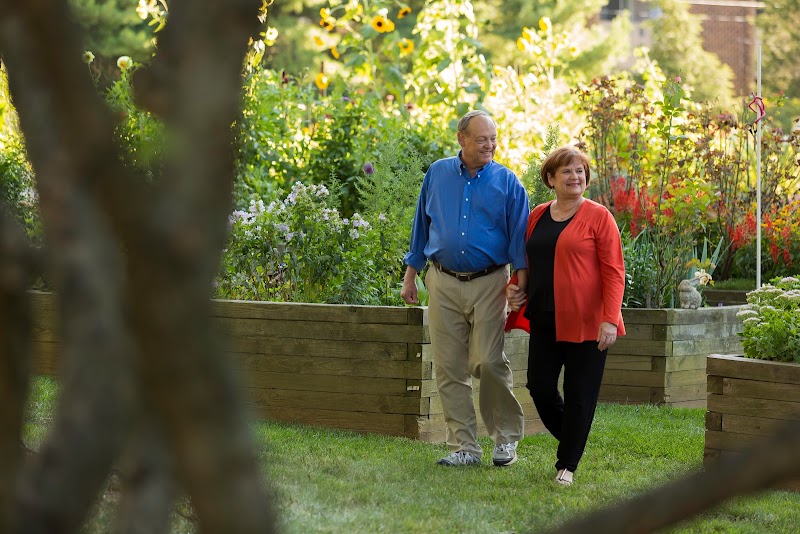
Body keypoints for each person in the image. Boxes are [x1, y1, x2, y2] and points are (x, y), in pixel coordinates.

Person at [401, 110, 529, 467]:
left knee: (488, 362)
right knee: (449, 367)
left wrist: (519, 284)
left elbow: (519, 239)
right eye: (482, 138)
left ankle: (505, 439)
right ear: (462, 139)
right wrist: (411, 274)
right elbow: (420, 227)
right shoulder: (438, 174)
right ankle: (464, 447)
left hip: (490, 282)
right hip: (442, 280)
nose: (490, 144)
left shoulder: (508, 182)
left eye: (493, 138)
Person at [506, 145, 626, 486]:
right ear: (550, 179)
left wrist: (609, 318)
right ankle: (575, 437)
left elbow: (615, 271)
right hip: (544, 316)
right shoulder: (538, 214)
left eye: (581, 171)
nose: (576, 177)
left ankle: (568, 463)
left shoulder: (599, 216)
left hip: (589, 321)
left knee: (579, 395)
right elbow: (529, 262)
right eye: (567, 172)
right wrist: (517, 287)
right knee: (539, 386)